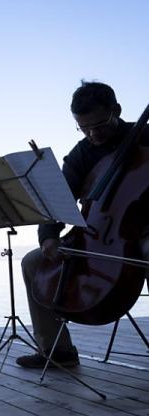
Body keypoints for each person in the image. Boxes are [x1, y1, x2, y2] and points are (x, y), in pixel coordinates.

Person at [16, 81, 149, 369]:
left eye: (99, 125)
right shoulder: (82, 154)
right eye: (84, 127)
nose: (93, 134)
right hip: (99, 235)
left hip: (143, 232)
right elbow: (58, 202)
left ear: (117, 110)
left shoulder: (145, 137)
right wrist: (48, 237)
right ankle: (57, 351)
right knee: (32, 262)